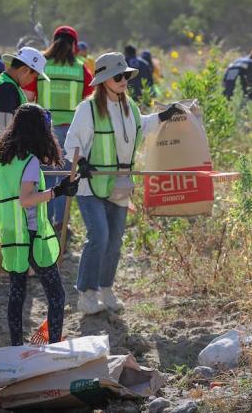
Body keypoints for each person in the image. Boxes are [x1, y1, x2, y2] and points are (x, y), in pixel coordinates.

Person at [65, 52, 177, 314]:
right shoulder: (87, 109)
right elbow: (72, 143)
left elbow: (143, 126)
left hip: (120, 185)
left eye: (126, 75)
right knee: (99, 236)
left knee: (114, 240)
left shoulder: (131, 107)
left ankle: (106, 289)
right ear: (104, 80)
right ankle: (87, 293)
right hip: (90, 185)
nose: (124, 80)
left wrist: (165, 115)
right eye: (119, 76)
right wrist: (80, 162)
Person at [0, 103, 79, 346]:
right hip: (29, 234)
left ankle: (16, 347)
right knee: (57, 296)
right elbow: (26, 199)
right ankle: (54, 348)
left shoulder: (7, 159)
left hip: (11, 233)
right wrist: (57, 191)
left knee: (17, 293)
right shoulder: (28, 163)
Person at [25, 26, 93, 232]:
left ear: (53, 41)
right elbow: (90, 100)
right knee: (66, 177)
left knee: (44, 176)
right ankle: (61, 225)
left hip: (43, 131)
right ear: (74, 45)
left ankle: (43, 223)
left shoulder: (41, 66)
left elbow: (28, 97)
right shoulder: (81, 68)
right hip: (71, 131)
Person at [0, 47, 49, 173]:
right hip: (3, 152)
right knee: (8, 192)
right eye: (34, 76)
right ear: (25, 70)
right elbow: (5, 129)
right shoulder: (6, 88)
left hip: (2, 150)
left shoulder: (9, 84)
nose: (33, 80)